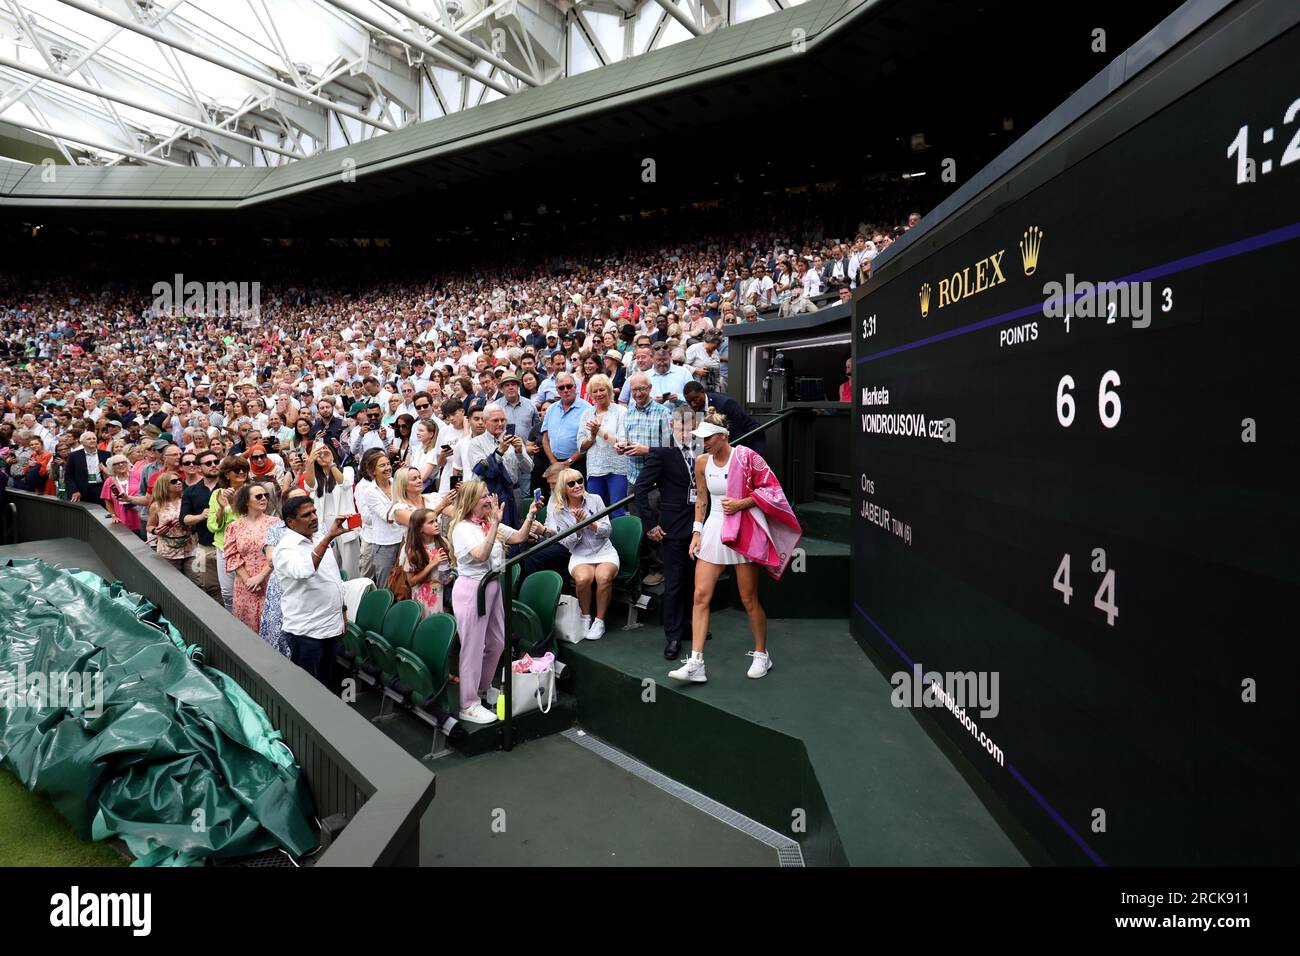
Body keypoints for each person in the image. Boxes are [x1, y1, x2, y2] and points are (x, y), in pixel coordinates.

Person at [669, 413, 802, 683]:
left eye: (709, 437)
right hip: (714, 529)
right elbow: (702, 501)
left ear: (723, 435)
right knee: (700, 597)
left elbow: (772, 489)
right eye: (701, 438)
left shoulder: (747, 457)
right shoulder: (702, 462)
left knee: (748, 599)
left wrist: (743, 503)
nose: (704, 442)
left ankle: (762, 654)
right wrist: (696, 533)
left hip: (744, 528)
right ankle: (696, 662)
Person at [448, 479, 539, 724]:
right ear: (470, 502)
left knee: (498, 642)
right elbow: (480, 554)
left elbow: (519, 537)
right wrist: (495, 525)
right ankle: (468, 703)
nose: (489, 499)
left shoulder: (491, 523)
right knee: (472, 647)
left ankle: (483, 687)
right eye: (483, 497)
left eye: (489, 494)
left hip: (494, 586)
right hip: (472, 590)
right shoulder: (462, 529)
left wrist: (530, 515)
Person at [634, 407, 701, 660]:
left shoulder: (702, 451)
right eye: (681, 427)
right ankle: (672, 636)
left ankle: (688, 627)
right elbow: (640, 489)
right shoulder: (662, 453)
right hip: (672, 528)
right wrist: (650, 524)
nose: (686, 432)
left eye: (690, 427)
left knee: (694, 581)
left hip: (699, 525)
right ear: (672, 428)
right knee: (674, 583)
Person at [273, 495, 350, 683]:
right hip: (306, 633)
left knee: (327, 683)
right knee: (307, 689)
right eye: (306, 515)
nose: (314, 517)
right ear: (291, 522)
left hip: (331, 627)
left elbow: (334, 580)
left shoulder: (317, 539)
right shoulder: (285, 549)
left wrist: (343, 613)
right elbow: (305, 570)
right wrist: (328, 537)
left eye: (314, 512)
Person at [545, 469, 619, 641]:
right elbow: (567, 543)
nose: (577, 485)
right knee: (583, 579)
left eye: (579, 481)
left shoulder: (595, 499)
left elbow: (608, 530)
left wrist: (590, 523)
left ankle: (600, 621)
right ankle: (586, 617)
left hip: (604, 551)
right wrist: (578, 527)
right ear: (564, 488)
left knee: (603, 577)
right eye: (571, 483)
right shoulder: (558, 510)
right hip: (579, 554)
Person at [224, 480, 283, 633]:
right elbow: (231, 554)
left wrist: (260, 577)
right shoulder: (234, 526)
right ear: (246, 501)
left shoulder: (276, 523)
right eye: (258, 496)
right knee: (246, 629)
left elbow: (279, 553)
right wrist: (248, 580)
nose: (264, 499)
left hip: (270, 580)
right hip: (244, 585)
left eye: (266, 496)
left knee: (271, 627)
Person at [258, 488, 304, 658]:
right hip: (283, 587)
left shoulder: (319, 527)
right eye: (295, 500)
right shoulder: (276, 529)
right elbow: (271, 559)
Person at [302, 442, 359, 579]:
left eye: (325, 450)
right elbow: (310, 487)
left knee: (350, 569)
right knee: (330, 568)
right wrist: (310, 463)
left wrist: (331, 463)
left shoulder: (347, 470)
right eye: (318, 452)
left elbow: (344, 484)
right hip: (324, 527)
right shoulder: (313, 475)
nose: (322, 454)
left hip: (346, 524)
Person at [469, 405, 532, 528]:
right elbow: (481, 470)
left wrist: (519, 452)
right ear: (486, 422)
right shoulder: (476, 443)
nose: (500, 423)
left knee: (516, 531)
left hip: (514, 493)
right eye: (495, 420)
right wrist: (499, 451)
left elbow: (528, 469)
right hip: (491, 496)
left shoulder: (514, 440)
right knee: (495, 533)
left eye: (503, 420)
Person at [576, 374, 628, 517]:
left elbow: (621, 442)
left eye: (602, 390)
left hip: (616, 469)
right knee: (594, 512)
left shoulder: (621, 412)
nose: (598, 394)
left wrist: (598, 431)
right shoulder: (587, 414)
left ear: (609, 390)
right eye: (595, 391)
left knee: (618, 510)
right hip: (594, 469)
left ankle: (621, 539)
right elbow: (581, 446)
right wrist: (592, 436)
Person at [207, 456, 250, 612]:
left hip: (247, 548)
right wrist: (221, 507)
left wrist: (229, 507)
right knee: (227, 593)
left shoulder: (252, 491)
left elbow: (246, 522)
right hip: (224, 547)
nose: (241, 472)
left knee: (248, 590)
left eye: (244, 469)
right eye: (236, 470)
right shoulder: (217, 494)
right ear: (226, 474)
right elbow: (212, 526)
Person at [356, 448, 403, 587]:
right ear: (373, 471)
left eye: (388, 464)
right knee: (385, 583)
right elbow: (387, 516)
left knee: (402, 581)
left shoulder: (396, 482)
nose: (388, 468)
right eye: (382, 465)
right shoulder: (369, 491)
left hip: (402, 539)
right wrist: (401, 503)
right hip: (384, 544)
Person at [180, 448, 222, 600]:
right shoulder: (191, 492)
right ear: (199, 468)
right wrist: (200, 516)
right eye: (208, 463)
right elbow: (183, 519)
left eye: (216, 462)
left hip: (229, 547)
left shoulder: (228, 486)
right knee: (210, 587)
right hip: (205, 547)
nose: (213, 465)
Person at [682, 381, 764, 457]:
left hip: (750, 438)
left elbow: (737, 431)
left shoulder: (725, 403)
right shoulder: (694, 409)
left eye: (695, 399)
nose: (693, 404)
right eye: (689, 401)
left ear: (702, 392)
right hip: (725, 441)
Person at [398, 506, 454, 616]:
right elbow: (411, 581)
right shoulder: (412, 550)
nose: (436, 524)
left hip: (443, 595)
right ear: (419, 528)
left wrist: (450, 574)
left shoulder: (442, 541)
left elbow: (449, 566)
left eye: (436, 520)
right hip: (424, 598)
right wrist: (432, 564)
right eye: (431, 522)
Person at [540, 372, 590, 473]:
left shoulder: (587, 409)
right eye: (561, 388)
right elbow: (545, 439)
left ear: (575, 387)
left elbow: (589, 442)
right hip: (555, 463)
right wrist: (553, 461)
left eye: (569, 386)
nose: (566, 390)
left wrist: (569, 462)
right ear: (557, 390)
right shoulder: (551, 409)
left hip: (579, 464)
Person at [146, 469, 194, 573]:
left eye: (180, 480)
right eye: (174, 481)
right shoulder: (156, 505)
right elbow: (149, 526)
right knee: (173, 582)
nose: (179, 482)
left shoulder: (189, 500)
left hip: (191, 549)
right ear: (164, 486)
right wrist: (156, 531)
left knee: (197, 582)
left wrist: (185, 521)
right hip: (168, 551)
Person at [101, 453, 142, 535]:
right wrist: (113, 515)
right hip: (122, 518)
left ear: (128, 463)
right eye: (116, 464)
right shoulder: (109, 481)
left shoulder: (138, 475)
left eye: (123, 462)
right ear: (112, 467)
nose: (121, 465)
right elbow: (107, 501)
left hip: (139, 515)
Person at [65, 430, 109, 504]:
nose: (92, 441)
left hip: (100, 488)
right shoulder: (74, 456)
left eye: (94, 439)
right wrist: (74, 490)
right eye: (89, 439)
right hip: (82, 490)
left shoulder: (105, 455)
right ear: (82, 442)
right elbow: (69, 476)